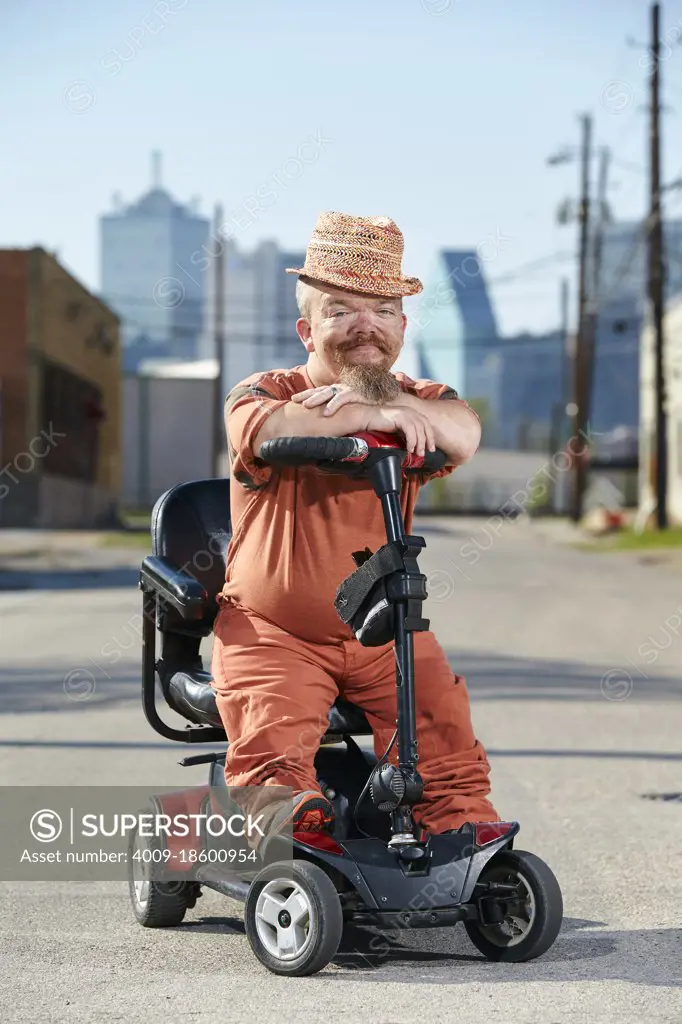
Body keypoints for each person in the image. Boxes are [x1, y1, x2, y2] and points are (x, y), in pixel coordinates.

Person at [211, 211, 498, 841]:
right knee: (273, 742)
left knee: (441, 728)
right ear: (306, 329)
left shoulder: (422, 397)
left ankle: (460, 839)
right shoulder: (265, 391)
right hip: (274, 631)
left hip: (382, 630)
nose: (365, 325)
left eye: (384, 309)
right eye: (340, 309)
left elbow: (466, 432)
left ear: (402, 325)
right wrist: (381, 415)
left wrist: (380, 405)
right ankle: (296, 836)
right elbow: (272, 428)